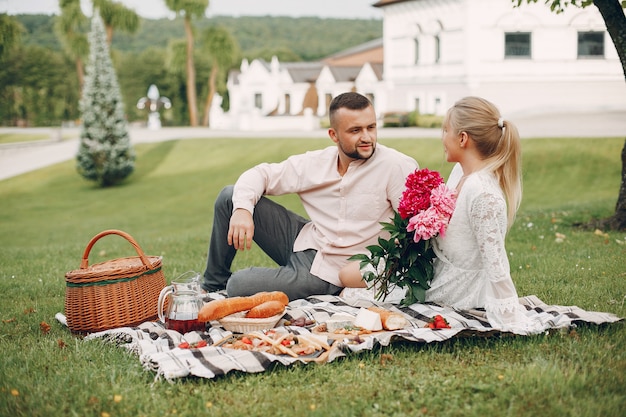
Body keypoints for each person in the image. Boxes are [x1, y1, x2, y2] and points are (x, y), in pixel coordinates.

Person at [339, 96, 544, 333]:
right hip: (432, 273)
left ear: (463, 138)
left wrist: (510, 318)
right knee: (347, 280)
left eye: (445, 130)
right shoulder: (460, 173)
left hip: (457, 292)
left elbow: (496, 266)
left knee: (351, 294)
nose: (442, 138)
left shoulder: (483, 194)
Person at [201, 92, 418, 301]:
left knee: (239, 285)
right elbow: (261, 174)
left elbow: (415, 233)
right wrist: (242, 210)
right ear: (334, 135)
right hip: (306, 238)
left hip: (333, 272)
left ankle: (243, 286)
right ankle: (211, 286)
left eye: (371, 127)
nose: (367, 137)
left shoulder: (396, 167)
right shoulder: (317, 163)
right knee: (230, 197)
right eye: (355, 130)